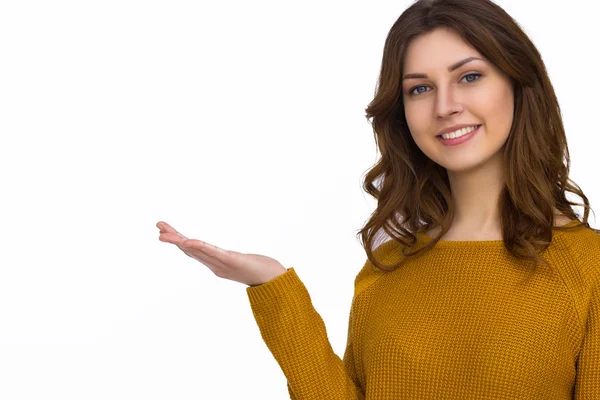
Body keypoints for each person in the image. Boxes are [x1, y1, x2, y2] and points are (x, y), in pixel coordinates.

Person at [157, 0, 600, 398]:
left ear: (519, 84)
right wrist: (272, 287)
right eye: (420, 88)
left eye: (469, 76)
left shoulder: (590, 267)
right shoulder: (389, 263)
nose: (445, 105)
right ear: (402, 112)